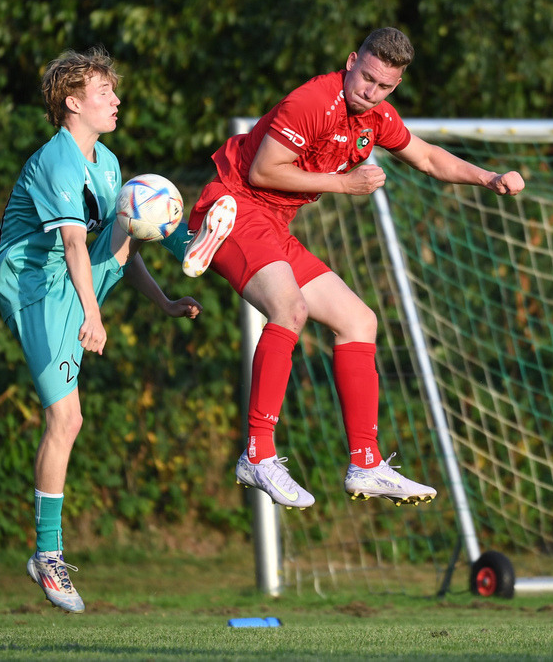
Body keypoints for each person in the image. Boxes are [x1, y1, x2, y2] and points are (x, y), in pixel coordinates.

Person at [181, 27, 525, 509]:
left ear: (396, 85)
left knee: (359, 320)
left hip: (273, 225)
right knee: (290, 308)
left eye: (384, 86)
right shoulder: (311, 101)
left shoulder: (376, 117)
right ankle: (257, 453)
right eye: (366, 77)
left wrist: (488, 177)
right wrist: (346, 184)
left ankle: (365, 461)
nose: (371, 91)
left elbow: (427, 157)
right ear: (351, 61)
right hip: (235, 206)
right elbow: (263, 170)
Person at [0, 47, 202, 613]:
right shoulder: (58, 162)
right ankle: (47, 556)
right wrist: (93, 313)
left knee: (136, 202)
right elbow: (73, 244)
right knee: (67, 418)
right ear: (72, 102)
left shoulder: (105, 162)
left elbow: (119, 248)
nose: (116, 99)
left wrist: (164, 303)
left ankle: (193, 245)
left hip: (71, 275)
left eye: (114, 90)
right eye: (104, 92)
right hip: (32, 281)